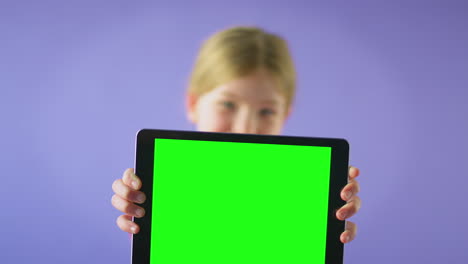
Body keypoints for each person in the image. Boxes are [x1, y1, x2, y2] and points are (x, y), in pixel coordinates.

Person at [111, 26, 361, 243]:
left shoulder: (300, 197)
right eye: (228, 105)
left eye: (266, 111)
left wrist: (327, 224)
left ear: (284, 116)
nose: (245, 128)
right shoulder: (166, 184)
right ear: (193, 104)